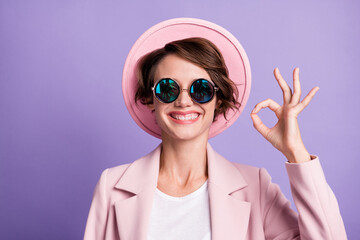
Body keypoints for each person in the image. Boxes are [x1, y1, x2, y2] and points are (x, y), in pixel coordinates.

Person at [84, 18, 347, 240]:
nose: (184, 100)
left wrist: (296, 153)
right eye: (167, 88)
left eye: (200, 89)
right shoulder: (112, 186)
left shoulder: (255, 187)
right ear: (150, 99)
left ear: (218, 99)